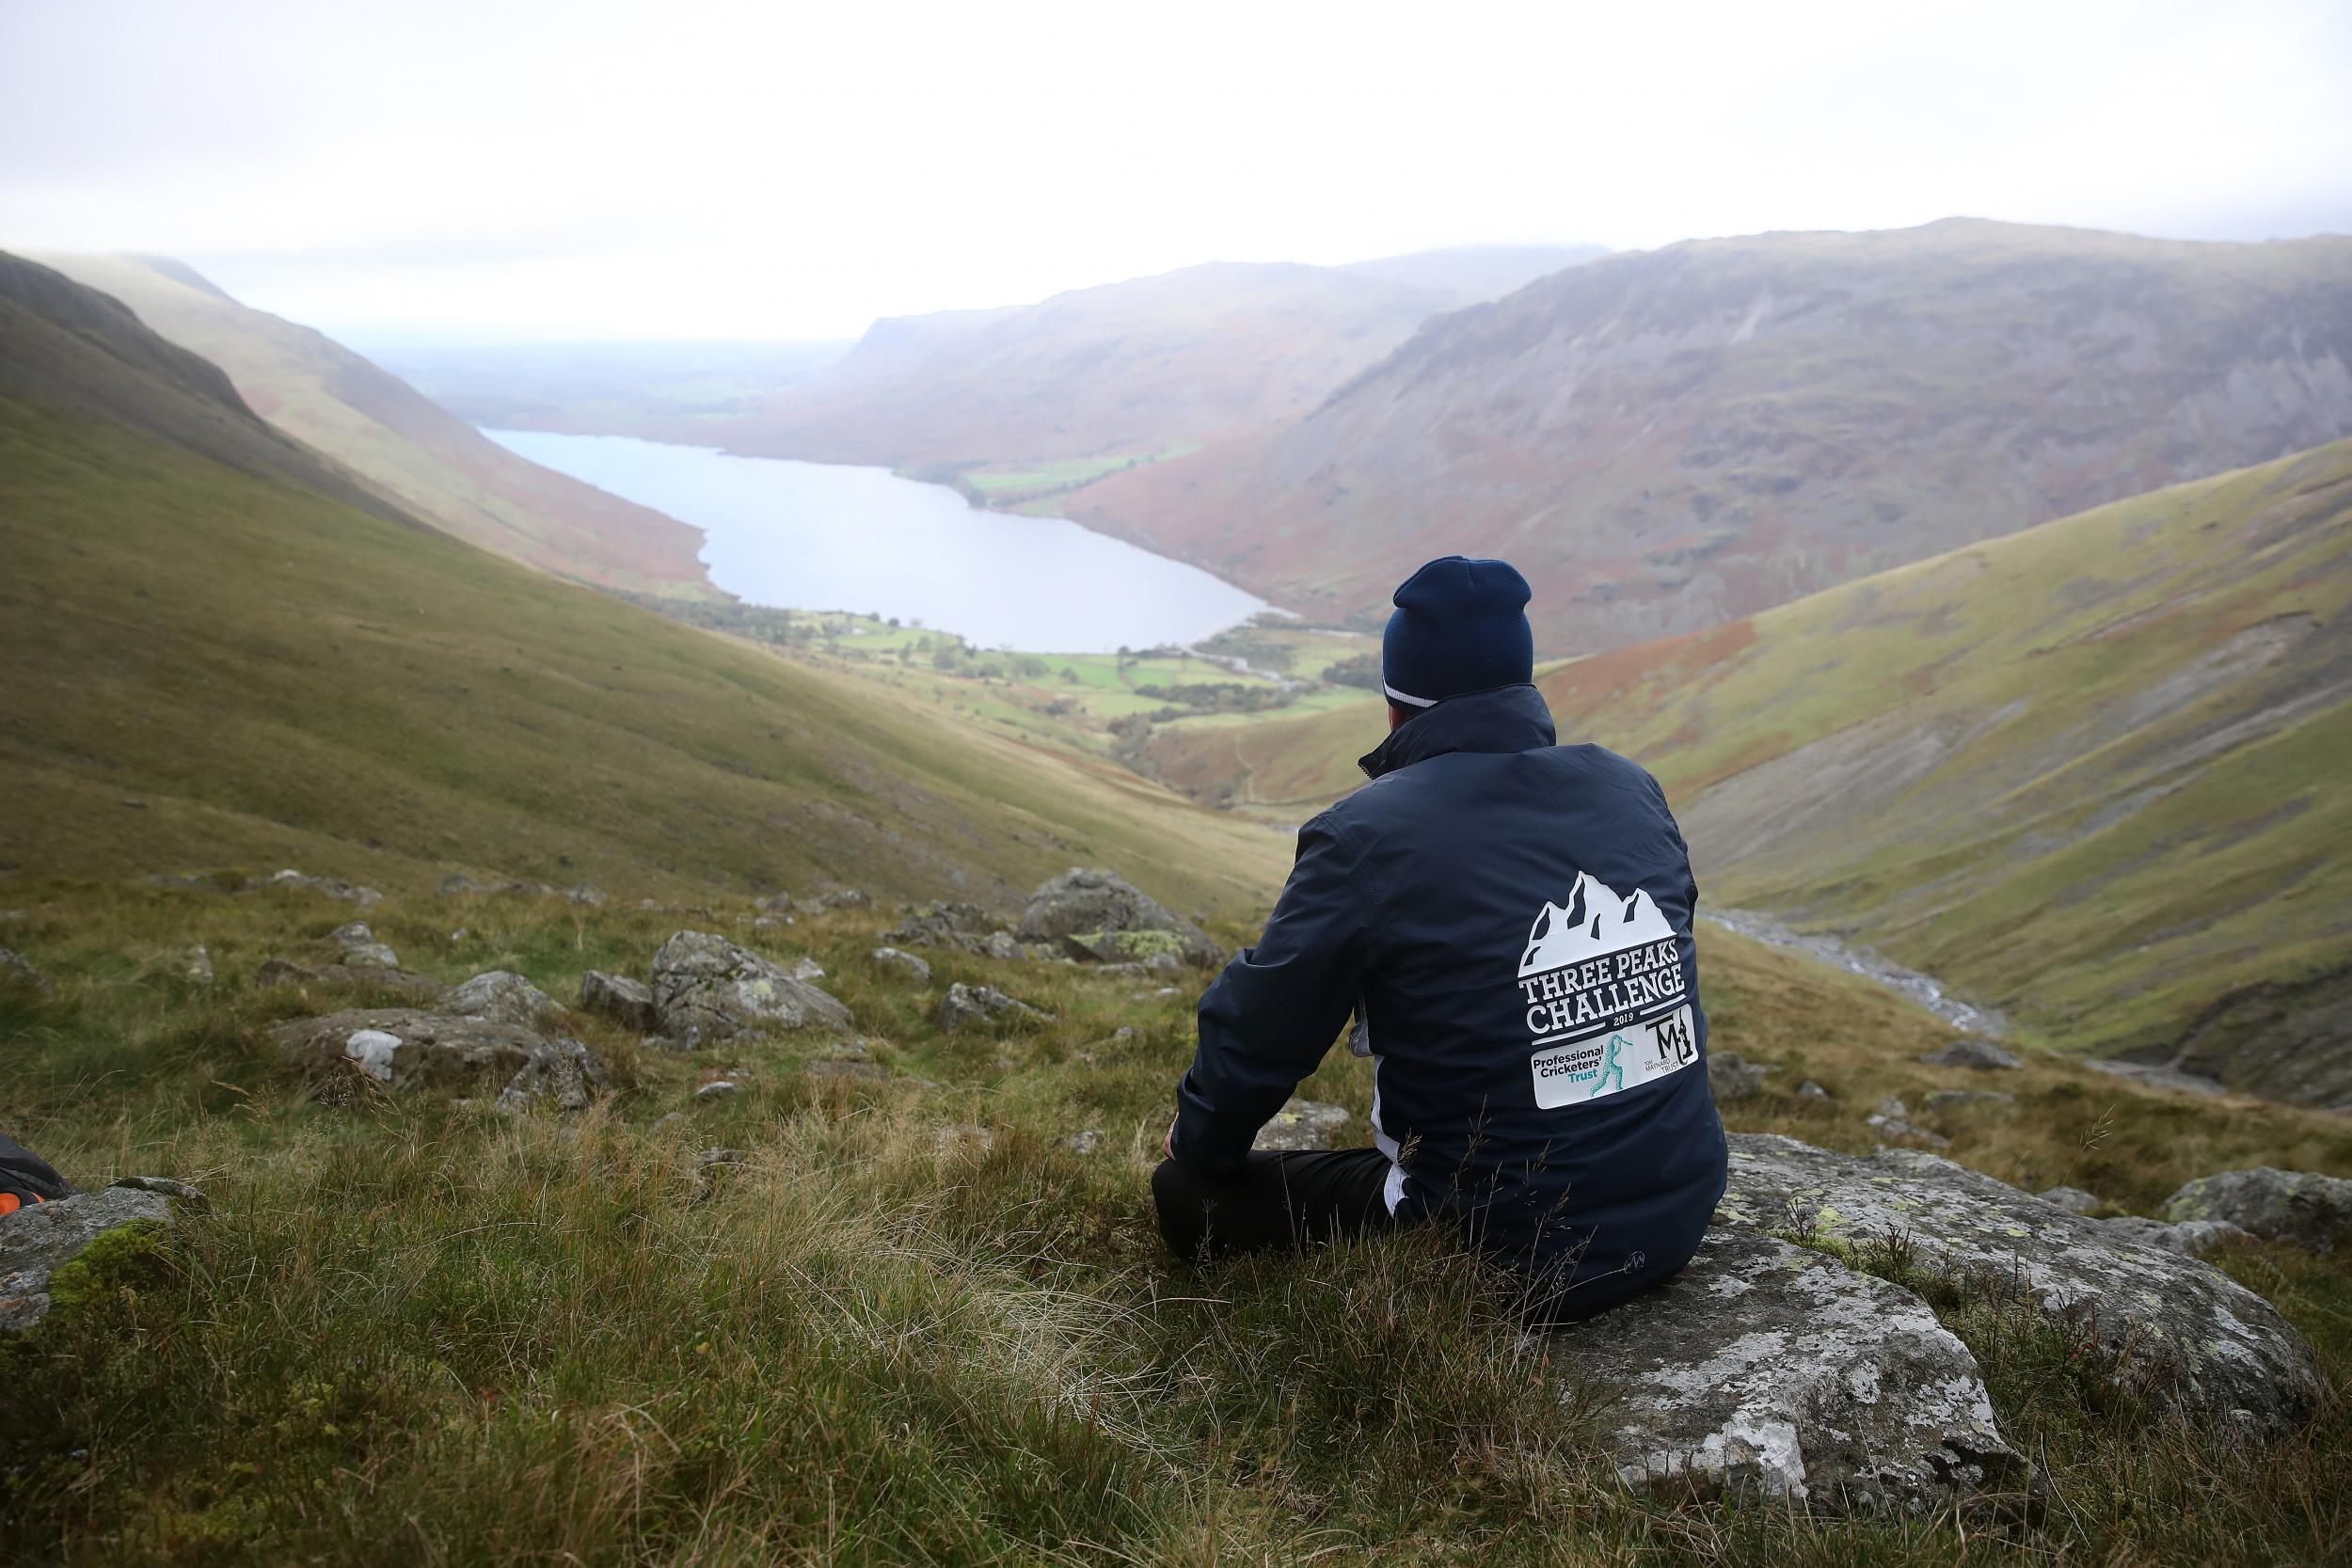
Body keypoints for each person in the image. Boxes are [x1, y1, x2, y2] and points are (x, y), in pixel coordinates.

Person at [1152, 555, 1727, 1322]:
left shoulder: (1365, 835)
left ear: (1396, 707)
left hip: (1499, 1249)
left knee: (1183, 1195)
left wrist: (1201, 1146)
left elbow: (1261, 1027)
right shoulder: (1634, 788)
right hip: (1677, 1216)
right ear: (1526, 686)